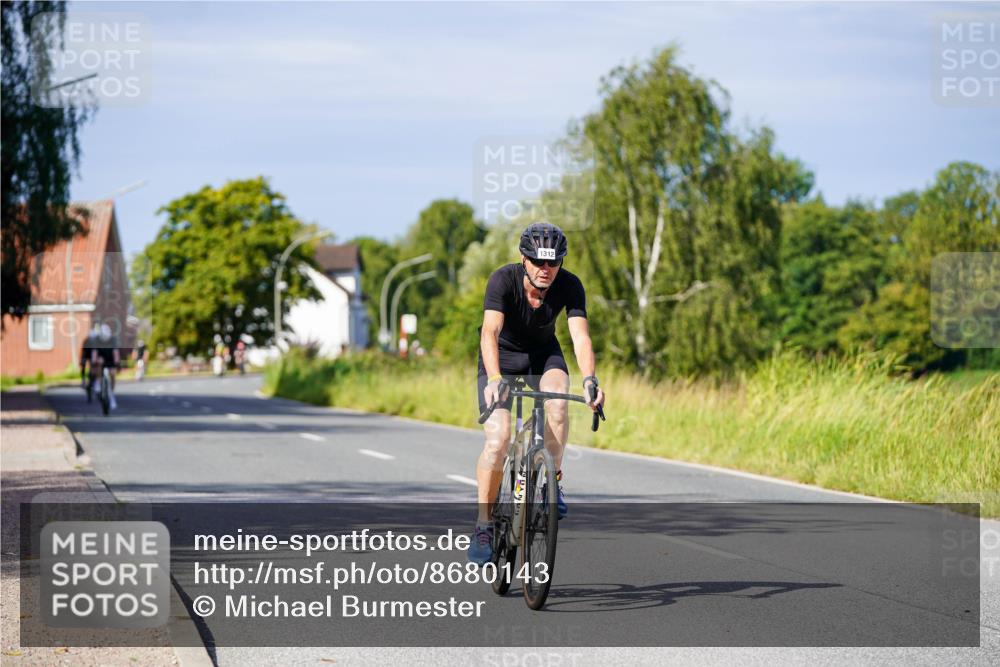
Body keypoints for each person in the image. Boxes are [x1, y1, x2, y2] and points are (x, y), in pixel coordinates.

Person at [467, 222, 606, 565]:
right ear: (523, 259)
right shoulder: (503, 279)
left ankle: (552, 482)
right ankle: (484, 524)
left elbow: (580, 337)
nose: (546, 270)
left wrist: (591, 379)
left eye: (553, 263)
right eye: (538, 262)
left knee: (559, 402)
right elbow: (489, 332)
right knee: (499, 439)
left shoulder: (570, 285)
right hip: (501, 357)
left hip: (544, 354)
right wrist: (496, 378)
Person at [90, 323, 120, 410]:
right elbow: (94, 353)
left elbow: (116, 353)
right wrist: (94, 361)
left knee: (113, 374)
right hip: (101, 357)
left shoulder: (113, 340)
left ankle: (111, 392)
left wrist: (117, 362)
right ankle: (98, 383)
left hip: (110, 357)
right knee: (99, 365)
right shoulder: (96, 340)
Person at [80, 324, 99, 393]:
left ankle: (94, 380)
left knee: (94, 366)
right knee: (83, 364)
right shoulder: (86, 341)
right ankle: (83, 380)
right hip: (86, 354)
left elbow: (97, 352)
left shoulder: (97, 342)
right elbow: (83, 352)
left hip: (93, 354)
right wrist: (83, 360)